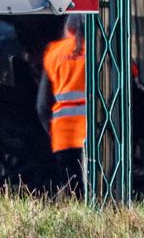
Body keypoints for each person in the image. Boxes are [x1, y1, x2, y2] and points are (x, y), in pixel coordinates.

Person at [37, 15, 86, 190]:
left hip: (64, 135)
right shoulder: (101, 49)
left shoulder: (54, 53)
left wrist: (52, 131)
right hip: (96, 132)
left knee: (73, 189)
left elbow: (43, 105)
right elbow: (132, 71)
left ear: (68, 29)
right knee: (99, 188)